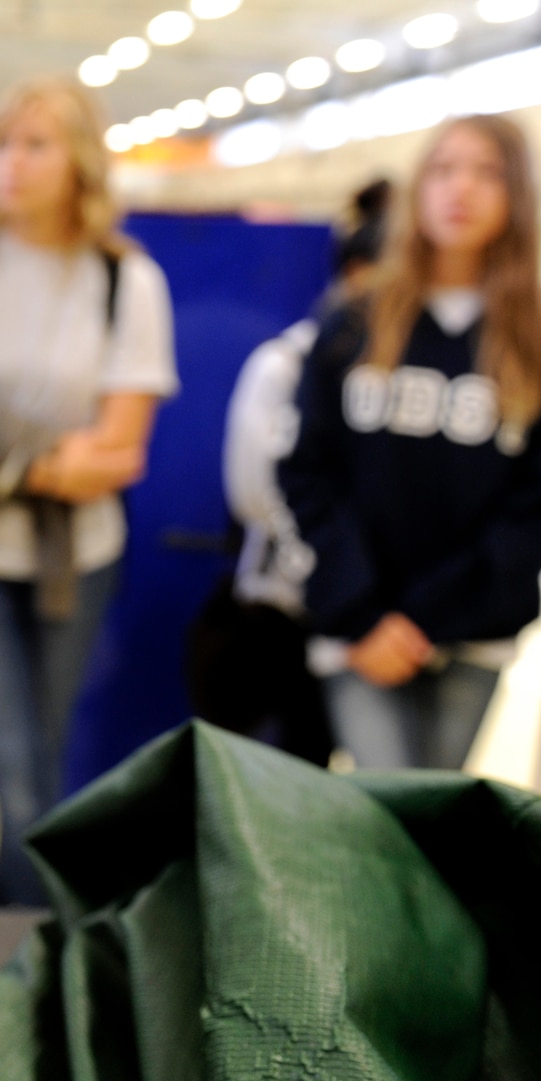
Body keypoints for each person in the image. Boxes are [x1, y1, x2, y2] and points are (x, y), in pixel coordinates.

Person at [0, 77, 177, 905]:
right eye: (3, 143)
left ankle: (7, 931)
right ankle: (34, 946)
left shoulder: (127, 282)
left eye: (36, 144)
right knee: (16, 771)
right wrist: (48, 464)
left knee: (46, 763)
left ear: (80, 160)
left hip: (77, 559)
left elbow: (122, 451)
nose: (11, 164)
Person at [278, 114, 541, 772]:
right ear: (418, 189)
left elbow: (540, 501)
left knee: (437, 823)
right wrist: (365, 613)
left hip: (472, 631)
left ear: (518, 198)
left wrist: (427, 617)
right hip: (361, 627)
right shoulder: (353, 323)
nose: (462, 190)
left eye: (487, 173)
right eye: (444, 170)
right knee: (388, 806)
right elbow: (307, 472)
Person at [186, 180, 390, 763]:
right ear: (353, 273)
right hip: (283, 605)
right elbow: (255, 491)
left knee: (329, 768)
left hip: (367, 614)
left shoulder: (415, 383)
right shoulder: (286, 365)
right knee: (261, 766)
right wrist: (331, 565)